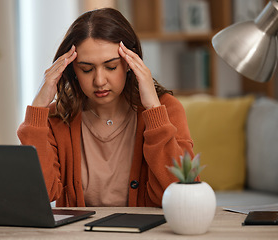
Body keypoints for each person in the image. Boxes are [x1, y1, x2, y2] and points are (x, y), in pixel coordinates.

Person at [17, 8, 195, 207]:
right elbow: (42, 193)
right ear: (72, 69)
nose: (99, 81)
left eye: (111, 67)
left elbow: (183, 191)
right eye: (87, 69)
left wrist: (153, 109)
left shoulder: (165, 109)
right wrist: (38, 108)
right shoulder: (57, 118)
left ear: (130, 63)